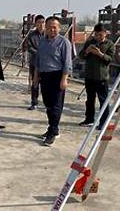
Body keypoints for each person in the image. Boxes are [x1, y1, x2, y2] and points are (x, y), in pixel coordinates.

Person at [34, 16, 72, 146]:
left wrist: (64, 79)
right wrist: (36, 77)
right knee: (48, 104)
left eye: (54, 27)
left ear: (59, 28)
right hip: (45, 76)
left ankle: (52, 132)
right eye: (49, 27)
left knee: (56, 105)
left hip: (57, 76)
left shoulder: (64, 42)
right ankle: (52, 128)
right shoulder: (43, 42)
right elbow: (38, 61)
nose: (52, 29)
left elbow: (67, 63)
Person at [78, 23, 115, 128]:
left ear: (105, 33)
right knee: (90, 99)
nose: (98, 37)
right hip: (89, 76)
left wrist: (100, 54)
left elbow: (110, 59)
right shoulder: (90, 43)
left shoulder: (110, 44)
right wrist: (87, 51)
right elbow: (81, 56)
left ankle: (103, 123)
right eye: (96, 34)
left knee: (103, 100)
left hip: (101, 77)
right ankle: (89, 119)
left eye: (100, 35)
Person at [27, 14, 45, 110]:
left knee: (46, 84)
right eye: (39, 23)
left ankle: (47, 103)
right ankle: (34, 102)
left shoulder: (48, 34)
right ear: (36, 24)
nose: (41, 25)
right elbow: (29, 48)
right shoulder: (31, 35)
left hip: (46, 64)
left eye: (43, 22)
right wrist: (39, 53)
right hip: (35, 63)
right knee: (35, 83)